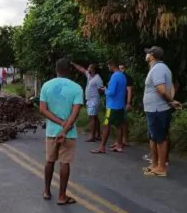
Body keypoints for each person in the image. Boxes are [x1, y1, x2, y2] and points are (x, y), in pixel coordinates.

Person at [39, 58, 82, 205]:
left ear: (56, 69)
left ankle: (46, 191)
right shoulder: (77, 88)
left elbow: (43, 110)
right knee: (64, 163)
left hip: (51, 131)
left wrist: (58, 123)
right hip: (68, 133)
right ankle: (62, 196)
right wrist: (65, 128)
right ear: (69, 71)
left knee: (50, 160)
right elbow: (75, 113)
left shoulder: (46, 86)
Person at [142, 47, 182, 177]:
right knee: (153, 137)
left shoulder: (159, 68)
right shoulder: (155, 68)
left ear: (152, 55)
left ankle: (161, 167)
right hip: (153, 109)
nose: (146, 55)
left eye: (148, 53)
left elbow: (162, 90)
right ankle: (155, 164)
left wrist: (171, 101)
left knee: (160, 138)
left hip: (158, 109)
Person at [91, 60, 127, 154]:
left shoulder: (115, 76)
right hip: (120, 105)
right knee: (119, 126)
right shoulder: (122, 75)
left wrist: (105, 90)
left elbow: (111, 92)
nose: (108, 68)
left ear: (111, 65)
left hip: (112, 106)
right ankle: (119, 145)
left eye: (108, 66)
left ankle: (102, 147)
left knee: (106, 126)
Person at [71, 62, 103, 142]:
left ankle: (92, 136)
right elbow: (81, 69)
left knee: (91, 117)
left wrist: (97, 96)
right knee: (95, 117)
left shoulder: (98, 79)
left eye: (89, 68)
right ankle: (98, 135)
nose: (88, 69)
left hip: (94, 100)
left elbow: (101, 90)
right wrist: (73, 64)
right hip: (90, 100)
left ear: (93, 69)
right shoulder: (89, 76)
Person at [114, 64, 134, 150]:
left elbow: (130, 91)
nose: (121, 70)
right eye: (119, 68)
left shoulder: (127, 77)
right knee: (121, 121)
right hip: (118, 101)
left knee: (122, 121)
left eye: (122, 68)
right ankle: (120, 140)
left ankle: (124, 140)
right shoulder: (116, 77)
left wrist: (128, 103)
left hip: (124, 101)